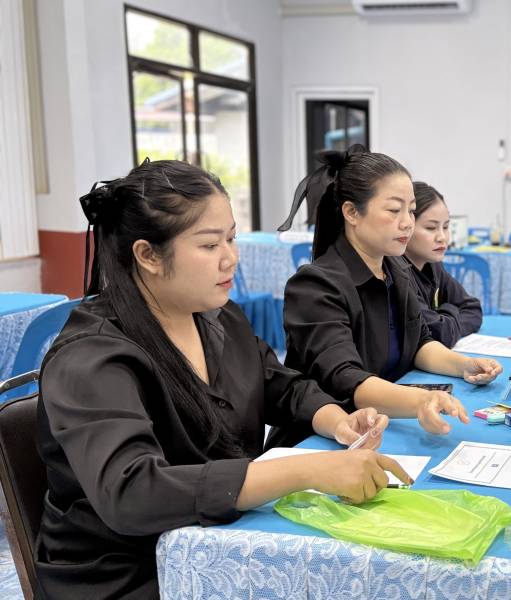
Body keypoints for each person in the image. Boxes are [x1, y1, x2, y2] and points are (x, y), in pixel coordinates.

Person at [35, 159, 410, 599]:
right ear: (148, 255)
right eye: (210, 244)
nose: (231, 257)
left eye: (231, 238)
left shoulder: (216, 317)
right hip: (130, 573)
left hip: (222, 541)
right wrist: (308, 469)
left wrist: (336, 420)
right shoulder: (91, 357)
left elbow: (279, 383)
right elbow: (131, 492)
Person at [277, 146, 503, 447]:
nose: (407, 222)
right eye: (394, 211)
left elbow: (420, 343)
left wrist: (464, 365)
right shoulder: (315, 286)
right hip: (324, 438)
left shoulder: (396, 269)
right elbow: (346, 379)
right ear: (351, 212)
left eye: (411, 210)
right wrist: (420, 401)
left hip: (382, 422)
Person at [400, 181, 482, 347]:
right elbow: (439, 332)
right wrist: (450, 310)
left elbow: (473, 309)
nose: (442, 237)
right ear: (406, 227)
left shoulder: (434, 265)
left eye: (445, 227)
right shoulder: (398, 274)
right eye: (431, 228)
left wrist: (446, 321)